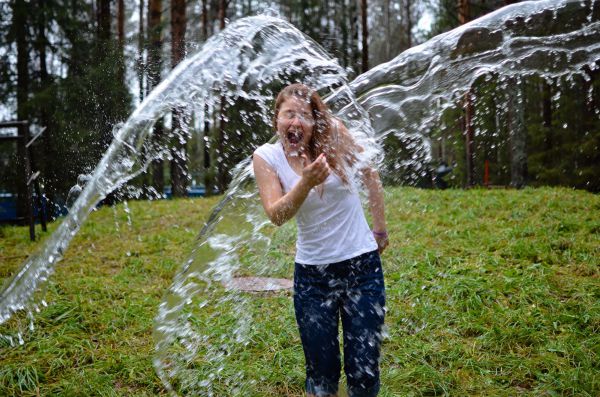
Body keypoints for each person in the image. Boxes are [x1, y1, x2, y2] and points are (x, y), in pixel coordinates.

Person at [252, 83, 389, 397]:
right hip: (313, 277)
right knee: (322, 373)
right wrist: (306, 182)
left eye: (304, 115)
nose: (296, 122)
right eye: (289, 114)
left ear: (315, 122)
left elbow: (370, 172)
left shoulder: (335, 135)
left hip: (362, 268)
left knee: (364, 369)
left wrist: (379, 229)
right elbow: (276, 214)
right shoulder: (266, 157)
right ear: (277, 120)